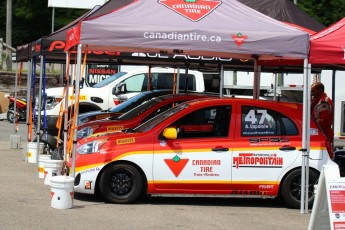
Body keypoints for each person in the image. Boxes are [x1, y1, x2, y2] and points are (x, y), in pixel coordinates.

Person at [311, 82, 334, 155]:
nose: (311, 93)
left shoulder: (323, 102)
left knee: (324, 157)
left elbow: (323, 121)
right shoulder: (317, 101)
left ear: (320, 90)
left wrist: (313, 129)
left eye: (313, 91)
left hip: (323, 134)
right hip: (319, 134)